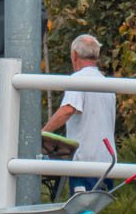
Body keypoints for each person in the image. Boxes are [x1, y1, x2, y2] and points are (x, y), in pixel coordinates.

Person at [43, 33, 116, 193]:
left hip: (85, 163)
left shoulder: (78, 79)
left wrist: (43, 133)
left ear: (74, 55)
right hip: (108, 163)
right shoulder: (108, 85)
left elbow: (68, 110)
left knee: (81, 207)